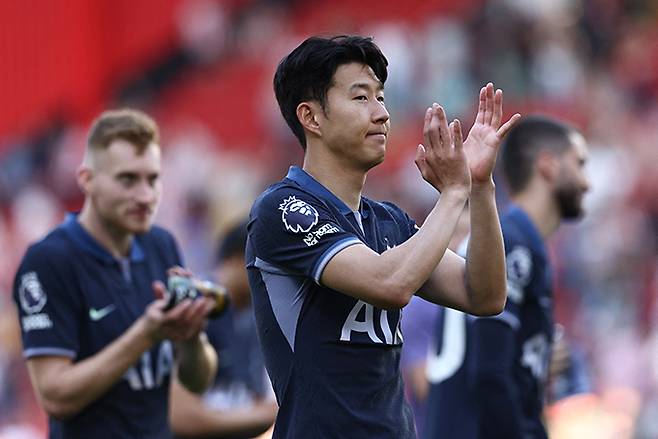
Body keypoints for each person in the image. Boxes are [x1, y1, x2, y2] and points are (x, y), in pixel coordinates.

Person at [245, 35, 520, 438]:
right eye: (361, 99)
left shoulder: (388, 221)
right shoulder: (284, 208)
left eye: (381, 97)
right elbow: (389, 283)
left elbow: (485, 294)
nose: (382, 114)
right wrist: (454, 192)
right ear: (311, 117)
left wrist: (480, 186)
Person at [12, 109, 218, 439]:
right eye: (128, 179)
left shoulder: (161, 245)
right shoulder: (49, 260)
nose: (145, 196)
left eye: (153, 179)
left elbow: (197, 381)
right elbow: (54, 396)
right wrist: (146, 334)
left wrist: (193, 337)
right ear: (87, 179)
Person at [423, 116, 590, 438]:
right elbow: (489, 375)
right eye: (580, 163)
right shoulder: (513, 244)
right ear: (548, 166)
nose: (587, 182)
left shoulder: (517, 241)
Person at [170, 220, 277, 438]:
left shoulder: (255, 314)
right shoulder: (191, 306)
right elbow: (181, 418)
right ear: (240, 259)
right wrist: (274, 413)